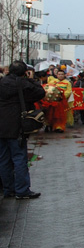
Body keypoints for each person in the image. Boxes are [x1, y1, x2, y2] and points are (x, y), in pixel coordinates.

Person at [0, 60, 46, 199]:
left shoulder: (2, 83)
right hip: (17, 125)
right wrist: (31, 79)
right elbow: (40, 92)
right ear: (25, 72)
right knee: (19, 158)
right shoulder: (23, 84)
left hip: (1, 125)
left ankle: (8, 189)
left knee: (4, 159)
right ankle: (22, 190)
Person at [45, 68, 72, 133]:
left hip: (61, 101)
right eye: (59, 74)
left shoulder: (67, 83)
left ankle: (59, 127)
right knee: (50, 114)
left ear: (64, 75)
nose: (60, 75)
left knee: (60, 115)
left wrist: (61, 96)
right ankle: (48, 125)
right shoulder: (52, 82)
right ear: (57, 75)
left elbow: (68, 91)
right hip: (52, 102)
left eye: (62, 74)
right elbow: (48, 88)